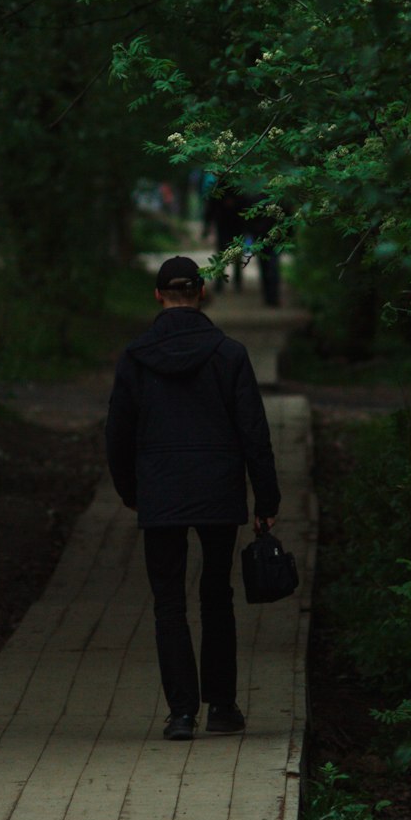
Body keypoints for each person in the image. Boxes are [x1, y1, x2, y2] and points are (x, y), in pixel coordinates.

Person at [105, 255, 281, 740]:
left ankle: (181, 714)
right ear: (201, 294)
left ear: (158, 296)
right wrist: (266, 498)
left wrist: (130, 490)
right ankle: (222, 707)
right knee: (217, 596)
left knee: (168, 602)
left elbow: (117, 433)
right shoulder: (229, 354)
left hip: (161, 489)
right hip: (218, 486)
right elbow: (254, 431)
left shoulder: (136, 357)